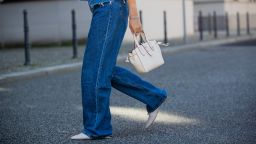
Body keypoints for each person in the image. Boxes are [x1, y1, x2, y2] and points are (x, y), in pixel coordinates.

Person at [71, 0, 167, 140]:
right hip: (104, 9)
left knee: (95, 69)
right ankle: (154, 97)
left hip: (108, 8)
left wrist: (134, 16)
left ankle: (97, 128)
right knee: (100, 68)